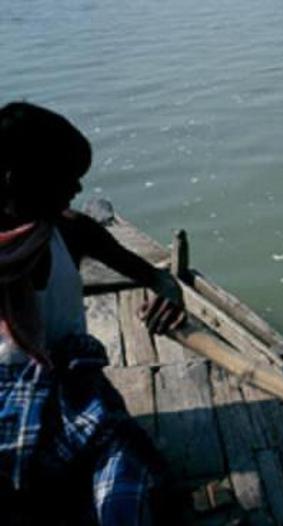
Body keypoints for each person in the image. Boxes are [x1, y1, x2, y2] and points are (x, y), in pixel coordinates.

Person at [0, 101, 185, 524]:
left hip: (77, 396)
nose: (77, 190)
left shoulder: (70, 230)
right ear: (16, 180)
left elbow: (161, 280)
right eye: (66, 177)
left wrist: (169, 299)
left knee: (122, 463)